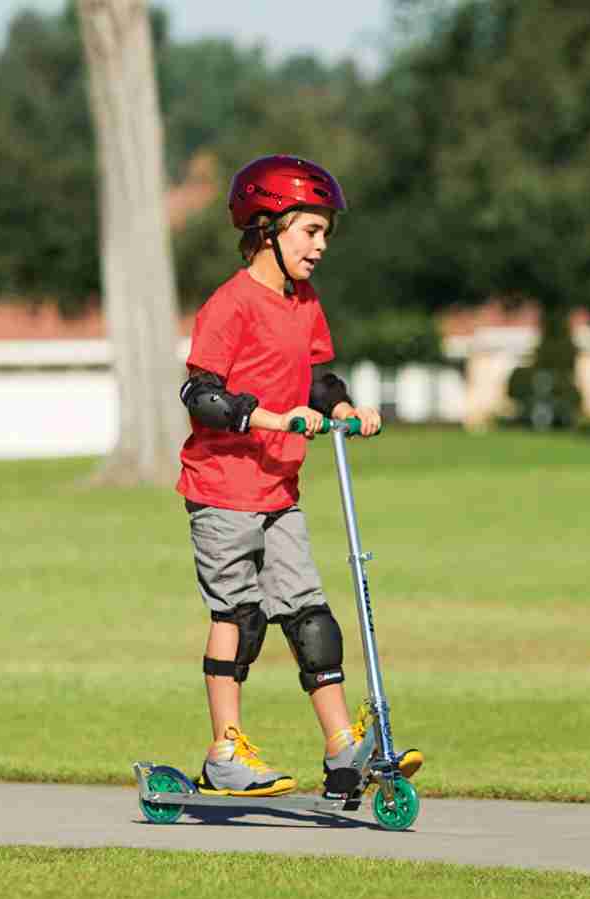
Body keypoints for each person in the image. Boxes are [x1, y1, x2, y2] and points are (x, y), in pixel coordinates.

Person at [176, 154, 420, 799]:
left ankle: (343, 746)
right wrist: (270, 418)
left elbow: (317, 376)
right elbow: (201, 395)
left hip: (278, 490)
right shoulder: (231, 306)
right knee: (241, 613)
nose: (320, 246)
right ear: (265, 228)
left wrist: (342, 408)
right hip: (223, 488)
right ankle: (225, 750)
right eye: (309, 230)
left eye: (325, 234)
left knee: (309, 612)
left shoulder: (303, 302)